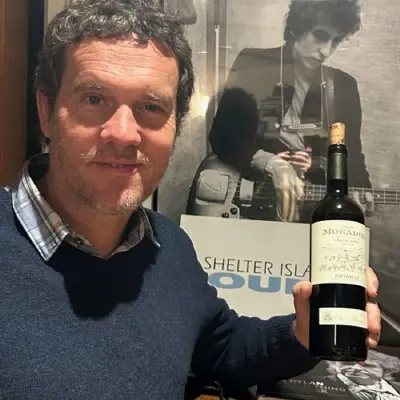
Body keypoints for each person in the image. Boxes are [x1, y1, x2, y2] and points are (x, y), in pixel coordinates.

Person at [0, 0, 380, 398]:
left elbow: (224, 346)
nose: (124, 134)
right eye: (94, 99)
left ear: (175, 127)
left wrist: (303, 329)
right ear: (46, 110)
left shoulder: (168, 248)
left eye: (151, 107)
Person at [187, 0, 375, 222]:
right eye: (320, 36)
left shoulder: (344, 86)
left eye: (336, 41)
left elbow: (351, 154)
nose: (326, 51)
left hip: (308, 211)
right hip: (245, 203)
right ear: (297, 28)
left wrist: (361, 188)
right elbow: (223, 135)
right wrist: (272, 164)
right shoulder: (254, 63)